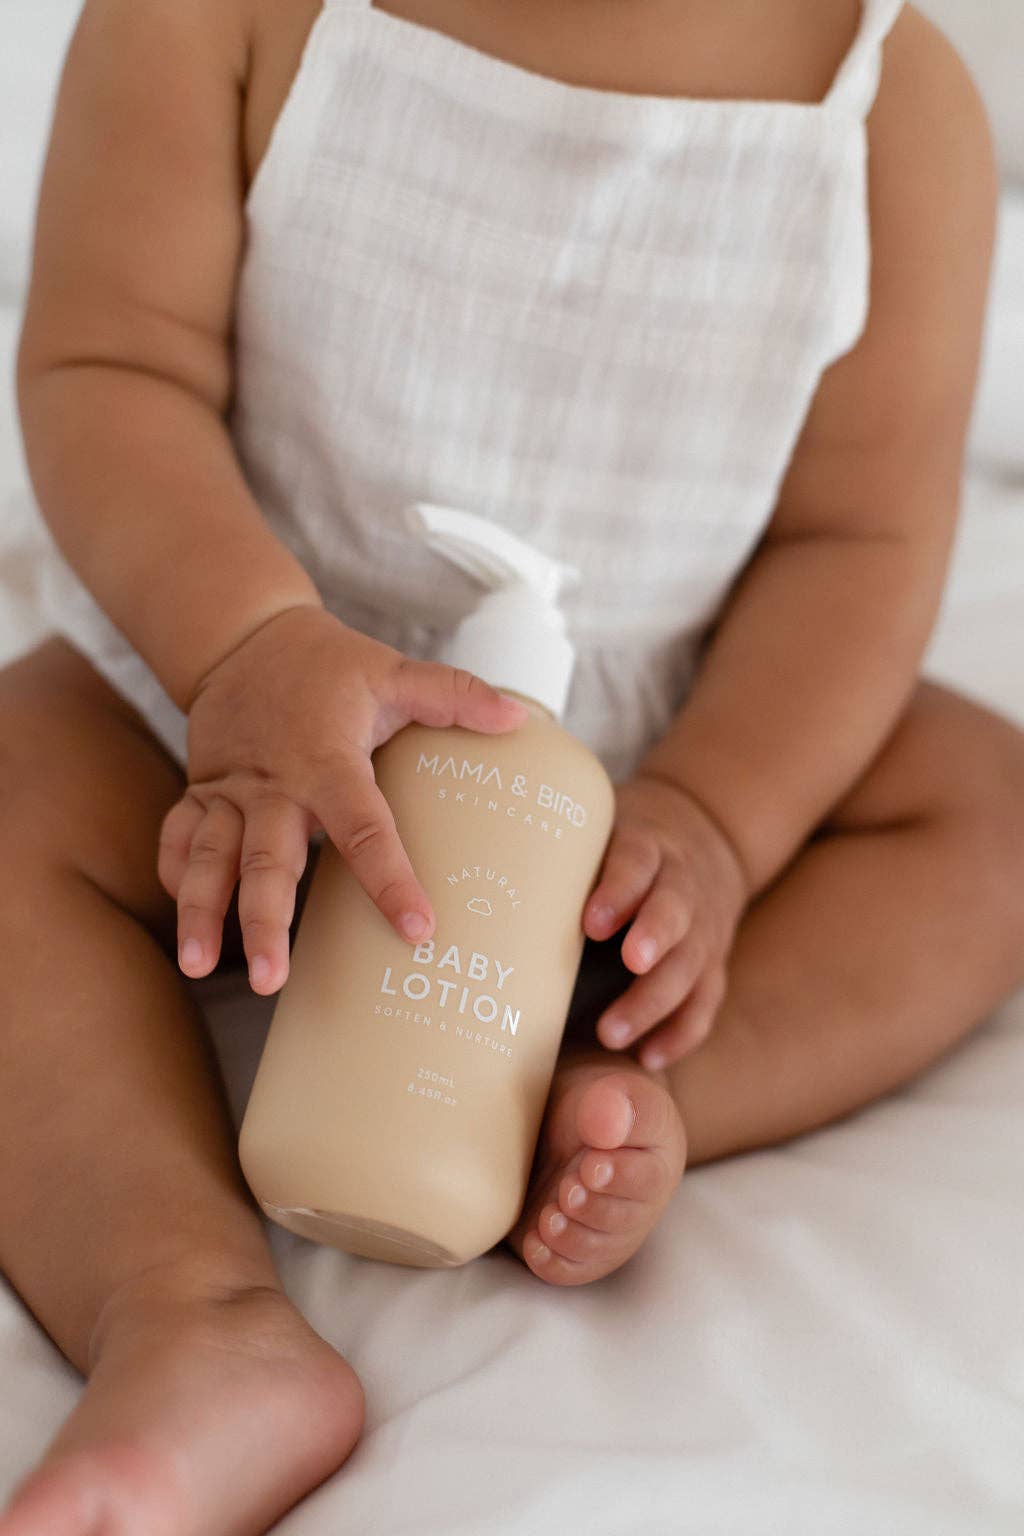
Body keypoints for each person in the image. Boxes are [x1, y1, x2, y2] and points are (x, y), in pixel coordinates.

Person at [2, 0, 1022, 1530]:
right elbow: (110, 361)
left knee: (989, 810)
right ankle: (189, 1310)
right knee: (13, 784)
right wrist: (242, 646)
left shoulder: (895, 113)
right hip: (248, 702)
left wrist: (719, 823)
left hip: (649, 754)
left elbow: (854, 546)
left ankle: (601, 1096)